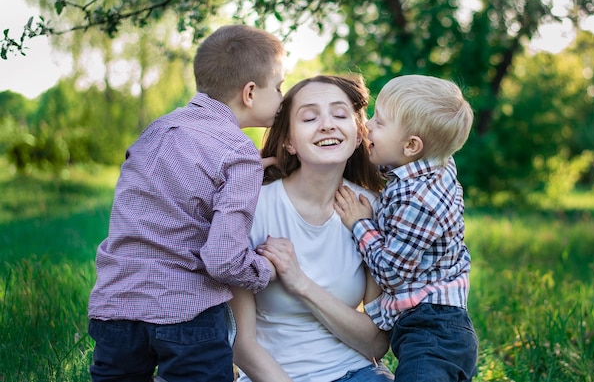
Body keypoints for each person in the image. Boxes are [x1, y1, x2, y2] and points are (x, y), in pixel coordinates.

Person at [87, 24, 286, 382]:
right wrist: (267, 270)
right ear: (251, 93)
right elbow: (223, 259)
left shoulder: (157, 130)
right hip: (186, 315)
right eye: (280, 87)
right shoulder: (237, 152)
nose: (283, 98)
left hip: (115, 306)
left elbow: (169, 190)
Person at [229, 74, 395, 382]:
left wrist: (299, 282)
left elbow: (376, 342)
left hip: (355, 373)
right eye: (309, 117)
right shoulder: (251, 208)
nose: (327, 124)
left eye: (340, 114)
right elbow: (242, 343)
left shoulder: (373, 210)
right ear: (289, 141)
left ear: (358, 134)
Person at [334, 74, 479, 381]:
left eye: (380, 122)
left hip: (432, 331)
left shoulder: (419, 200)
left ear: (412, 145)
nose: (368, 125)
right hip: (433, 325)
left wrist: (360, 224)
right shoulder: (430, 164)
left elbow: (390, 270)